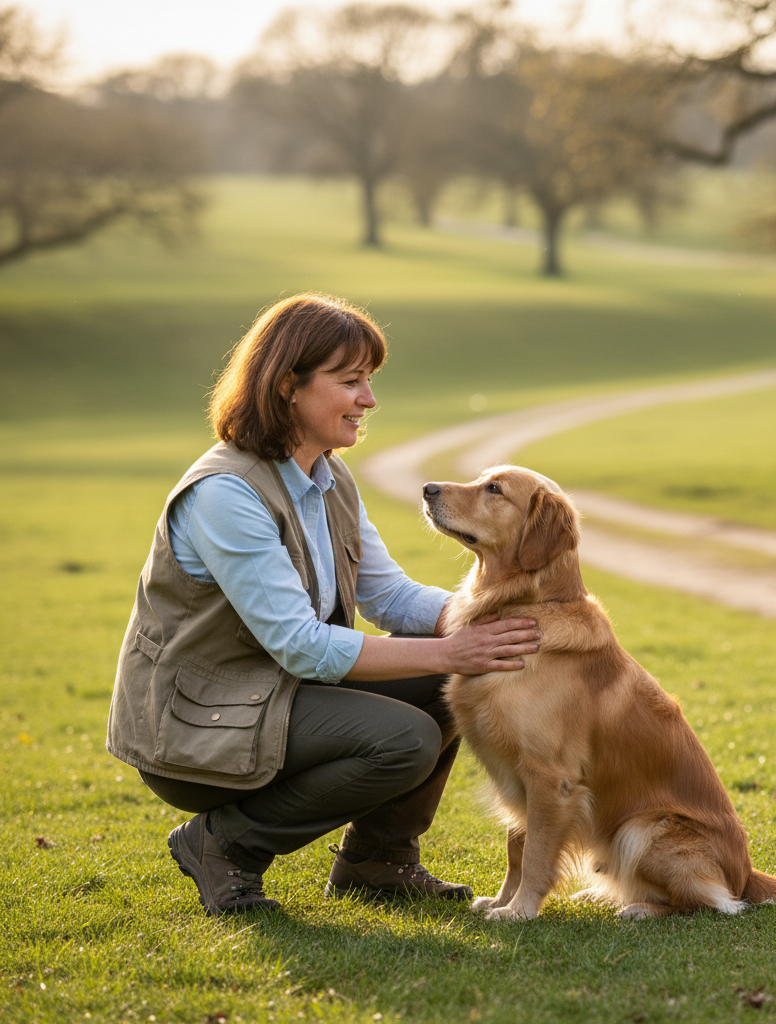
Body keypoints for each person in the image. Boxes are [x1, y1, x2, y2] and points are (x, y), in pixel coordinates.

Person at [106, 293, 542, 916]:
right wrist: (454, 648)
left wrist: (506, 625)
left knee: (456, 674)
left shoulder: (329, 477)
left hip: (277, 695)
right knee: (408, 737)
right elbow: (302, 646)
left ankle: (378, 862)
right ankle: (223, 845)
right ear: (288, 385)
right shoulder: (225, 494)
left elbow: (389, 595)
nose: (369, 399)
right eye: (350, 381)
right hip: (197, 728)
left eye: (370, 380)